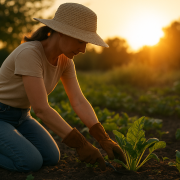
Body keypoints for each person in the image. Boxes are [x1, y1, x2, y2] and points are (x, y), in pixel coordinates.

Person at [0, 2, 126, 172]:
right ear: (61, 32)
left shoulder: (65, 61)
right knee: (30, 162)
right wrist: (80, 144)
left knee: (51, 157)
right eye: (81, 41)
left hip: (22, 116)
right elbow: (41, 109)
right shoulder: (29, 53)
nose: (83, 49)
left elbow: (78, 101)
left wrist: (103, 138)